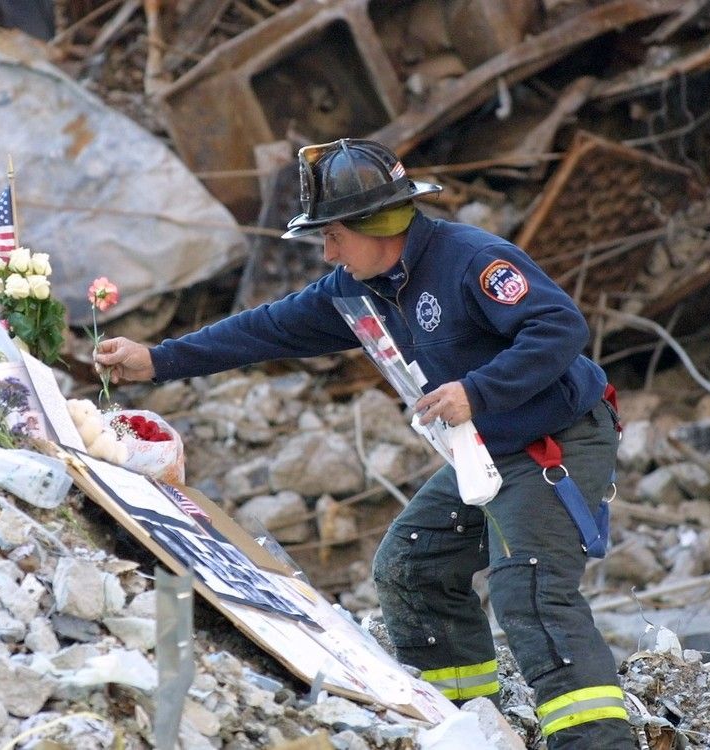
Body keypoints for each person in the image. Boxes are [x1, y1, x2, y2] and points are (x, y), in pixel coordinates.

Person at [95, 138, 633, 749]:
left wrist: (477, 392)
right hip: (482, 450)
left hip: (552, 443)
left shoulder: (474, 262)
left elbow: (559, 326)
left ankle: (595, 741)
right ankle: (464, 726)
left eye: (332, 236)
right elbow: (267, 329)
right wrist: (159, 359)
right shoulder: (356, 287)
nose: (326, 252)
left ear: (375, 226)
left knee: (529, 588)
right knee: (413, 565)